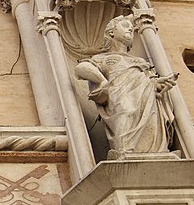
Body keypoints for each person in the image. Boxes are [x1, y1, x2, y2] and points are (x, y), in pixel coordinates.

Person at [75, 15, 176, 157]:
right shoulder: (102, 58)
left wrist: (160, 84)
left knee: (151, 128)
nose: (130, 28)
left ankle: (156, 152)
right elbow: (81, 68)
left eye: (131, 28)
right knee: (126, 114)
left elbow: (150, 82)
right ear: (111, 32)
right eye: (124, 25)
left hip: (147, 102)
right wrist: (102, 81)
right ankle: (125, 151)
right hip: (120, 100)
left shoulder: (140, 61)